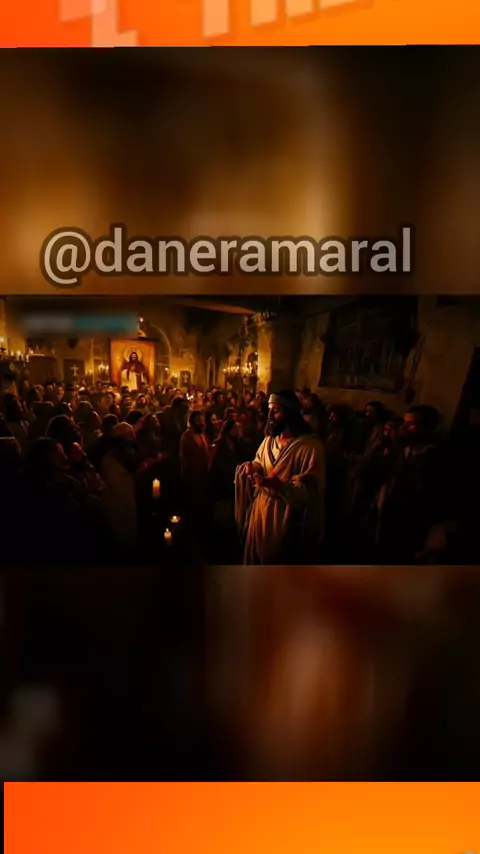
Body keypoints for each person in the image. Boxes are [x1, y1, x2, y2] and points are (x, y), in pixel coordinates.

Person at [235, 390, 325, 565]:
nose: (269, 416)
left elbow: (311, 491)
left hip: (285, 515)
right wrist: (252, 467)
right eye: (269, 410)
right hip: (261, 510)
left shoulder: (309, 447)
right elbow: (260, 461)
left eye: (275, 411)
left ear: (290, 413)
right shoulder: (269, 441)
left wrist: (278, 486)